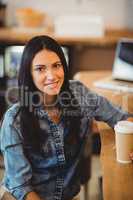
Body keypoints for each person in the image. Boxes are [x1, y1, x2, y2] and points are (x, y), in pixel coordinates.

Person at [0, 35, 133, 200]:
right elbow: (21, 187)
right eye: (41, 69)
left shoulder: (78, 93)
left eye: (56, 65)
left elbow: (118, 116)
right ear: (29, 74)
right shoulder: (14, 120)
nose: (52, 76)